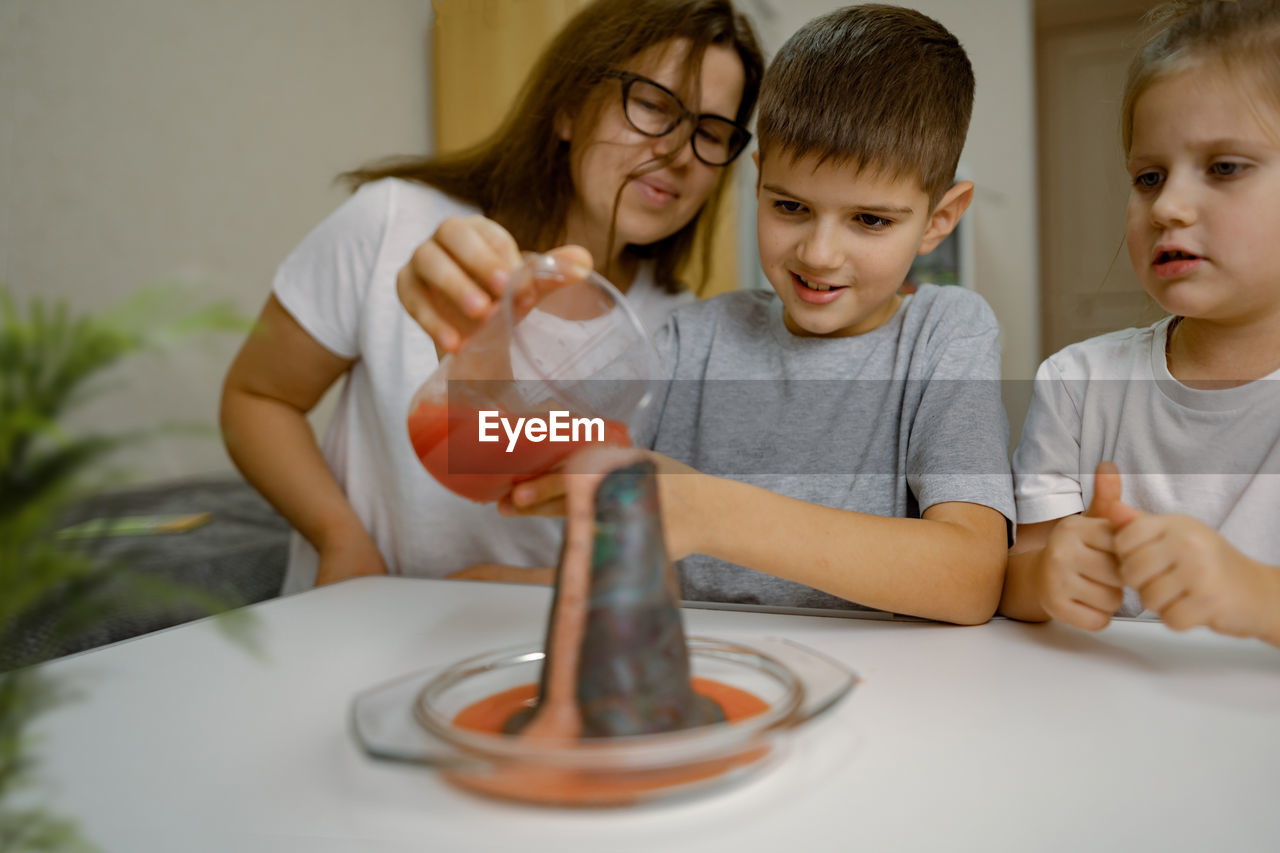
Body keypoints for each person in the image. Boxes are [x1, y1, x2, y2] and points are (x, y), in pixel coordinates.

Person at [219, 0, 764, 593]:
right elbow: (258, 397)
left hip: (529, 658)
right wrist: (341, 538)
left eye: (710, 133)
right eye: (653, 105)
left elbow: (651, 540)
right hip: (346, 626)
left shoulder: (679, 333)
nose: (680, 152)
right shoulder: (397, 226)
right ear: (568, 108)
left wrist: (535, 585)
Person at [495, 4, 1015, 625]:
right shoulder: (692, 340)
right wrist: (487, 329)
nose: (818, 254)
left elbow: (971, 578)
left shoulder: (946, 332)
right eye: (791, 207)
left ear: (939, 220)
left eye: (870, 220)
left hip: (883, 698)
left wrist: (706, 512)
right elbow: (513, 447)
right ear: (760, 178)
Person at [1000, 0, 1280, 646]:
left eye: (1224, 168)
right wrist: (1050, 571)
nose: (1169, 206)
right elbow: (1015, 577)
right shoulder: (1075, 382)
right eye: (1148, 177)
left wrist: (1253, 593)